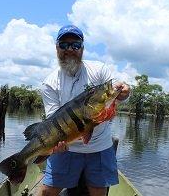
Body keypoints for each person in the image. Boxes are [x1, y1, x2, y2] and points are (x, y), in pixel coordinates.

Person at [39, 25, 130, 196]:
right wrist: (56, 144)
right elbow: (53, 122)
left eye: (75, 45)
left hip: (100, 146)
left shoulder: (99, 70)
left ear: (82, 48)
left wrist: (125, 91)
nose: (70, 49)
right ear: (57, 48)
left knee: (98, 192)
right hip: (66, 148)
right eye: (64, 45)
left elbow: (118, 90)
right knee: (47, 192)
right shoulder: (49, 83)